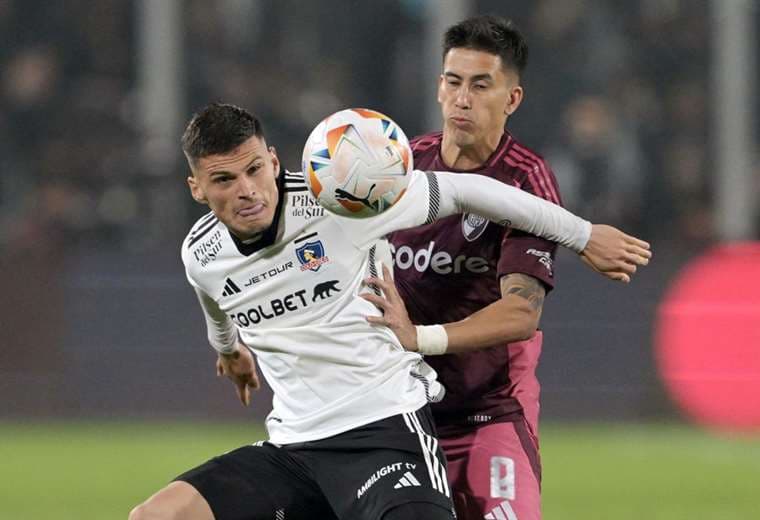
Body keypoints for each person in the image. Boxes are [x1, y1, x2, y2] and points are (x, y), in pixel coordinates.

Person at [128, 103, 649, 520]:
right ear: (196, 187)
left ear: (271, 156)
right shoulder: (200, 254)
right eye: (223, 180)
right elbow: (216, 305)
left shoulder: (342, 202)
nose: (246, 191)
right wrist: (230, 352)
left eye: (254, 169)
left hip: (384, 434)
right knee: (155, 516)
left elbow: (471, 191)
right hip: (293, 450)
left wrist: (582, 235)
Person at [369, 15, 650, 520]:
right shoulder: (403, 167)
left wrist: (422, 337)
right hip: (399, 413)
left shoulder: (528, 184)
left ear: (512, 99)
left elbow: (520, 315)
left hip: (487, 412)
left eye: (481, 85)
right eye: (453, 82)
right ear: (438, 87)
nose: (463, 99)